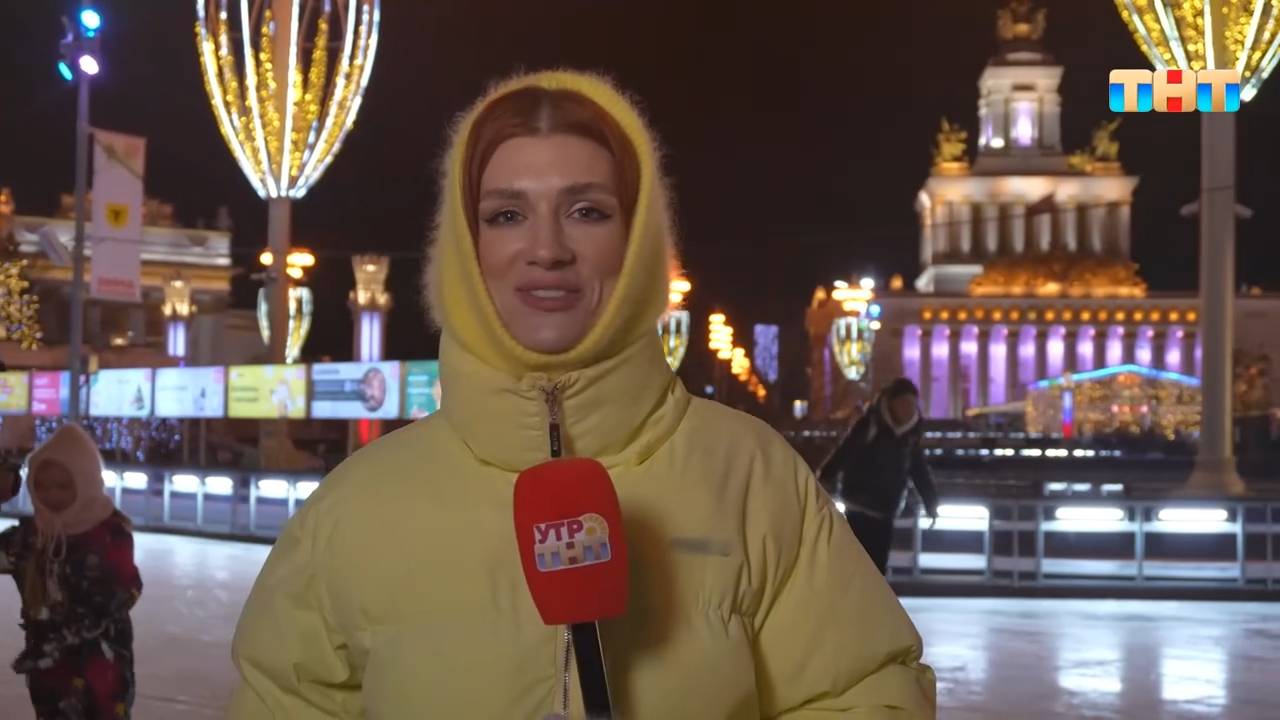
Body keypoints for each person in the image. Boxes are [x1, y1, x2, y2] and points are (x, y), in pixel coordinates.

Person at [229, 70, 935, 718]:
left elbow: (864, 693)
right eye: (506, 215)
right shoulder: (355, 508)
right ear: (466, 247)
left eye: (587, 211)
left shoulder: (753, 476)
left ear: (636, 240)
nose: (547, 249)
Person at [0, 424, 143, 718]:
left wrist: (63, 635)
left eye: (62, 486)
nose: (51, 495)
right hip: (49, 673)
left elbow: (122, 590)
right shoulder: (31, 536)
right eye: (42, 486)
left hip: (101, 667)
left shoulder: (108, 534)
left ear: (86, 482)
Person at [818, 378, 940, 575]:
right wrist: (825, 478)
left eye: (911, 404)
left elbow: (919, 471)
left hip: (886, 510)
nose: (907, 409)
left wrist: (930, 503)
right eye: (903, 403)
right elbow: (845, 451)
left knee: (877, 568)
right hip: (858, 506)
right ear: (891, 403)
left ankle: (868, 594)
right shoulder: (870, 425)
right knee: (855, 564)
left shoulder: (910, 435)